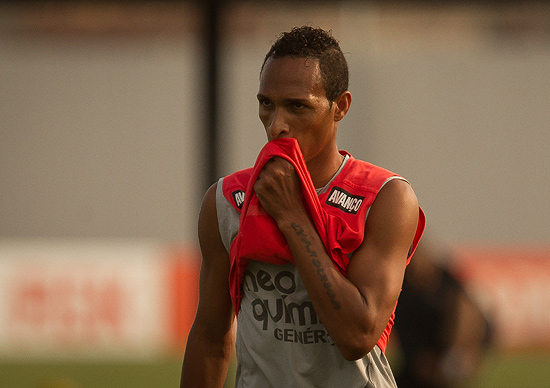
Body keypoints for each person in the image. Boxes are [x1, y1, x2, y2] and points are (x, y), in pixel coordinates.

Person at [180, 26, 425, 388]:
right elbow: (211, 337)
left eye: (297, 106)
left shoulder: (385, 198)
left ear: (339, 107)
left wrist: (293, 217)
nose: (276, 125)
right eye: (266, 104)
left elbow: (357, 337)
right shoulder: (226, 200)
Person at [392, 239, 493, 388]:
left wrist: (458, 354)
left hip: (450, 353)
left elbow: (471, 317)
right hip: (419, 359)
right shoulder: (402, 291)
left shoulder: (447, 281)